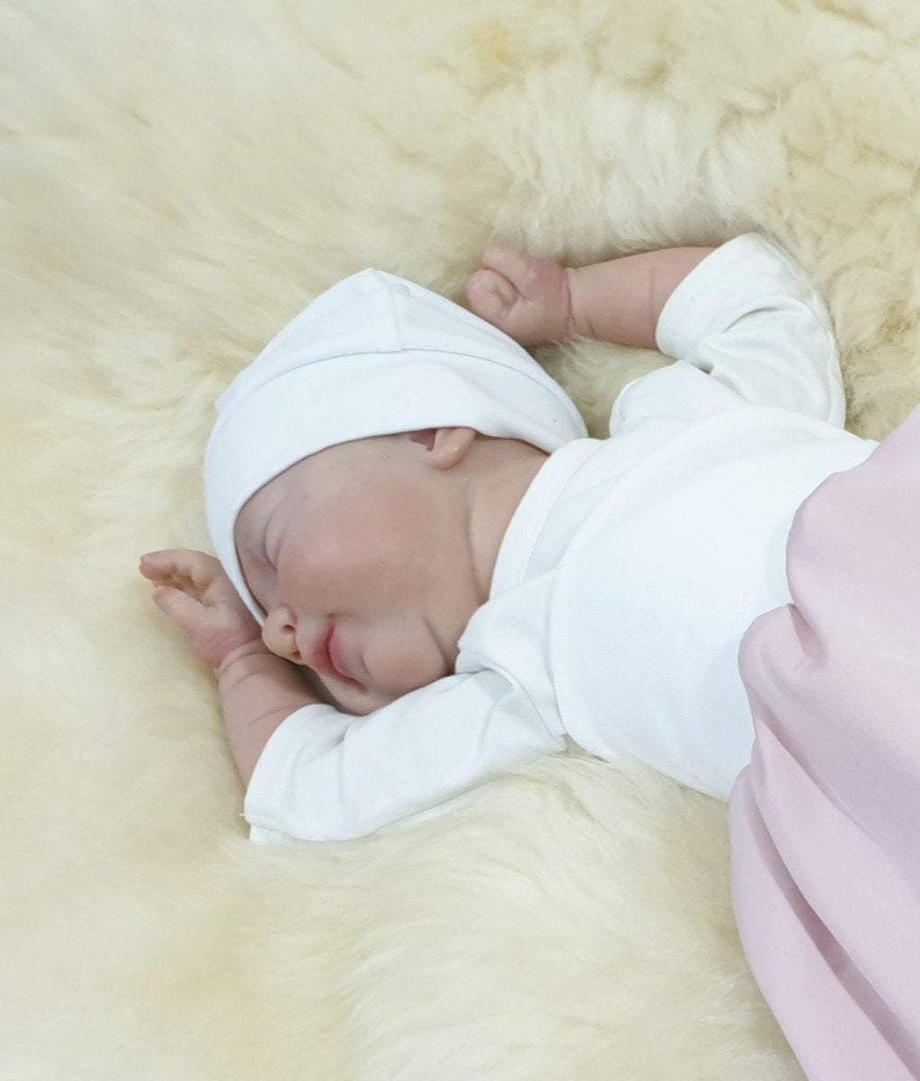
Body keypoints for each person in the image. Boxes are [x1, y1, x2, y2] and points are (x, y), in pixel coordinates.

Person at [141, 233, 872, 842]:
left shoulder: (684, 427)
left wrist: (576, 302)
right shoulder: (519, 676)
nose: (281, 634)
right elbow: (308, 792)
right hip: (887, 751)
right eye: (265, 615)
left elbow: (756, 299)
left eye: (272, 553)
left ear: (430, 428)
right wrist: (240, 660)